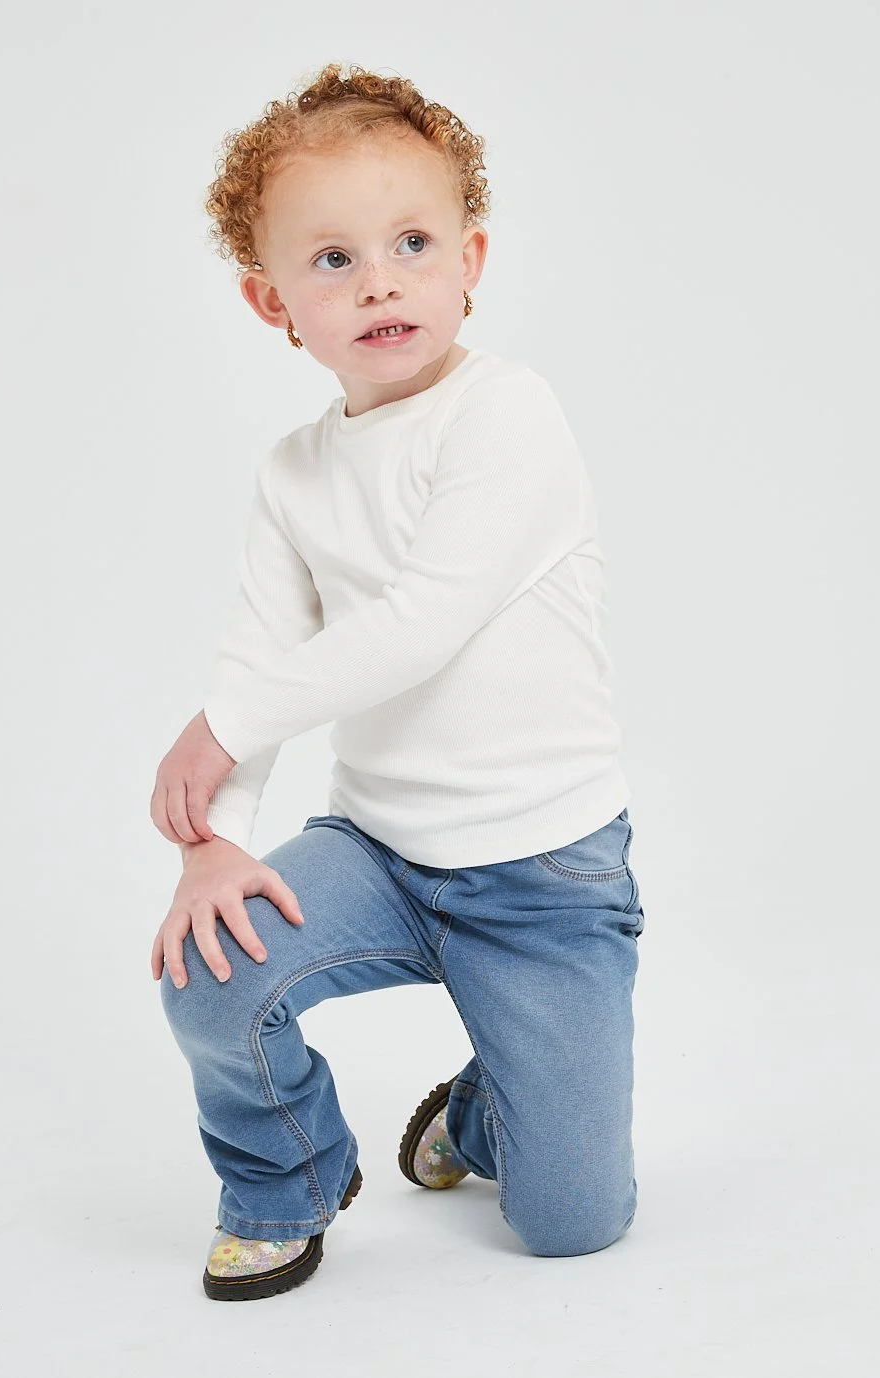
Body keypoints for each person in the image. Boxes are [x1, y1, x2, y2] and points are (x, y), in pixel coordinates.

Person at [150, 60, 646, 1303]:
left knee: (576, 1223)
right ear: (274, 304)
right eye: (332, 260)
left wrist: (220, 727)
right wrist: (218, 840)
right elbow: (265, 653)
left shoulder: (508, 416)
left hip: (545, 878)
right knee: (207, 969)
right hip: (378, 850)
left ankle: (493, 1112)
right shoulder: (293, 472)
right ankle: (286, 1180)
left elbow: (423, 620)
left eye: (412, 242)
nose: (379, 278)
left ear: (471, 259)